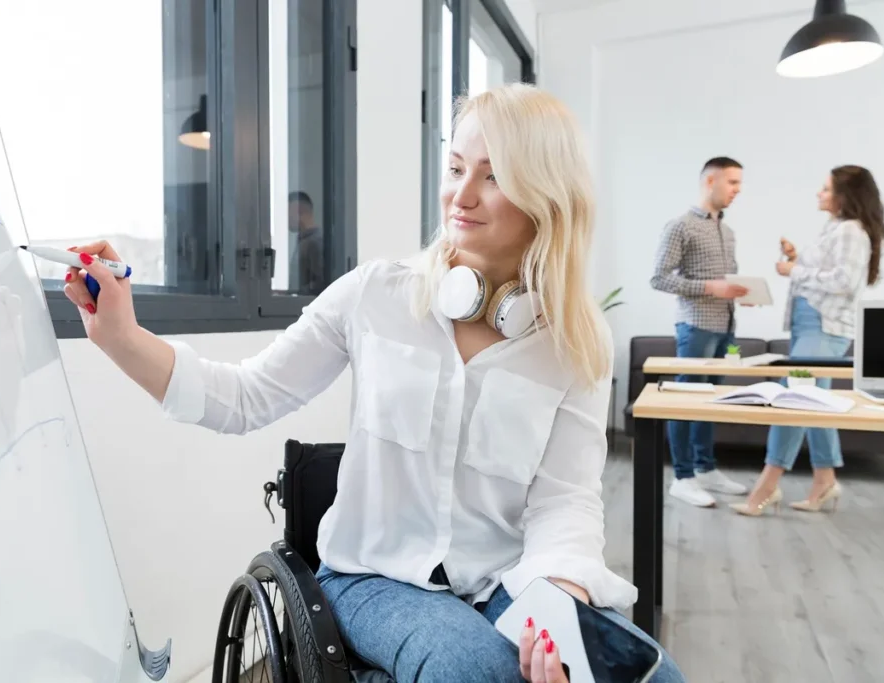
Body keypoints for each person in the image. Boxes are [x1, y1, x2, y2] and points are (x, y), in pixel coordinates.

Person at [62, 83, 684, 683]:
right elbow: (243, 398)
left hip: (508, 580)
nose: (460, 196)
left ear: (548, 197)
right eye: (456, 168)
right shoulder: (375, 295)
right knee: (475, 669)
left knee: (655, 677)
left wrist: (558, 603)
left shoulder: (575, 341)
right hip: (372, 580)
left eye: (493, 176)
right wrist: (121, 337)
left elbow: (565, 501)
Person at [732, 165, 884, 517]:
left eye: (826, 188)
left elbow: (845, 281)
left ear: (845, 195)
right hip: (812, 323)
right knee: (816, 404)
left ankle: (766, 487)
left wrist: (795, 270)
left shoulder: (851, 230)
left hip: (823, 326)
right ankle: (825, 480)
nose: (819, 193)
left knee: (794, 401)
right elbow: (829, 271)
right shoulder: (836, 228)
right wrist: (797, 257)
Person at [650, 157, 750, 508]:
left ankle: (706, 468)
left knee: (711, 402)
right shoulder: (680, 226)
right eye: (733, 182)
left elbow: (727, 282)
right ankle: (683, 476)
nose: (738, 190)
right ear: (711, 181)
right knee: (685, 402)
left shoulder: (728, 231)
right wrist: (712, 288)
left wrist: (743, 293)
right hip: (695, 327)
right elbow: (659, 278)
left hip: (726, 328)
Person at [287, 190, 325, 294]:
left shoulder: (315, 243)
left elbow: (320, 284)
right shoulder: (304, 241)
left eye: (287, 212)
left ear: (298, 210)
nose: (286, 218)